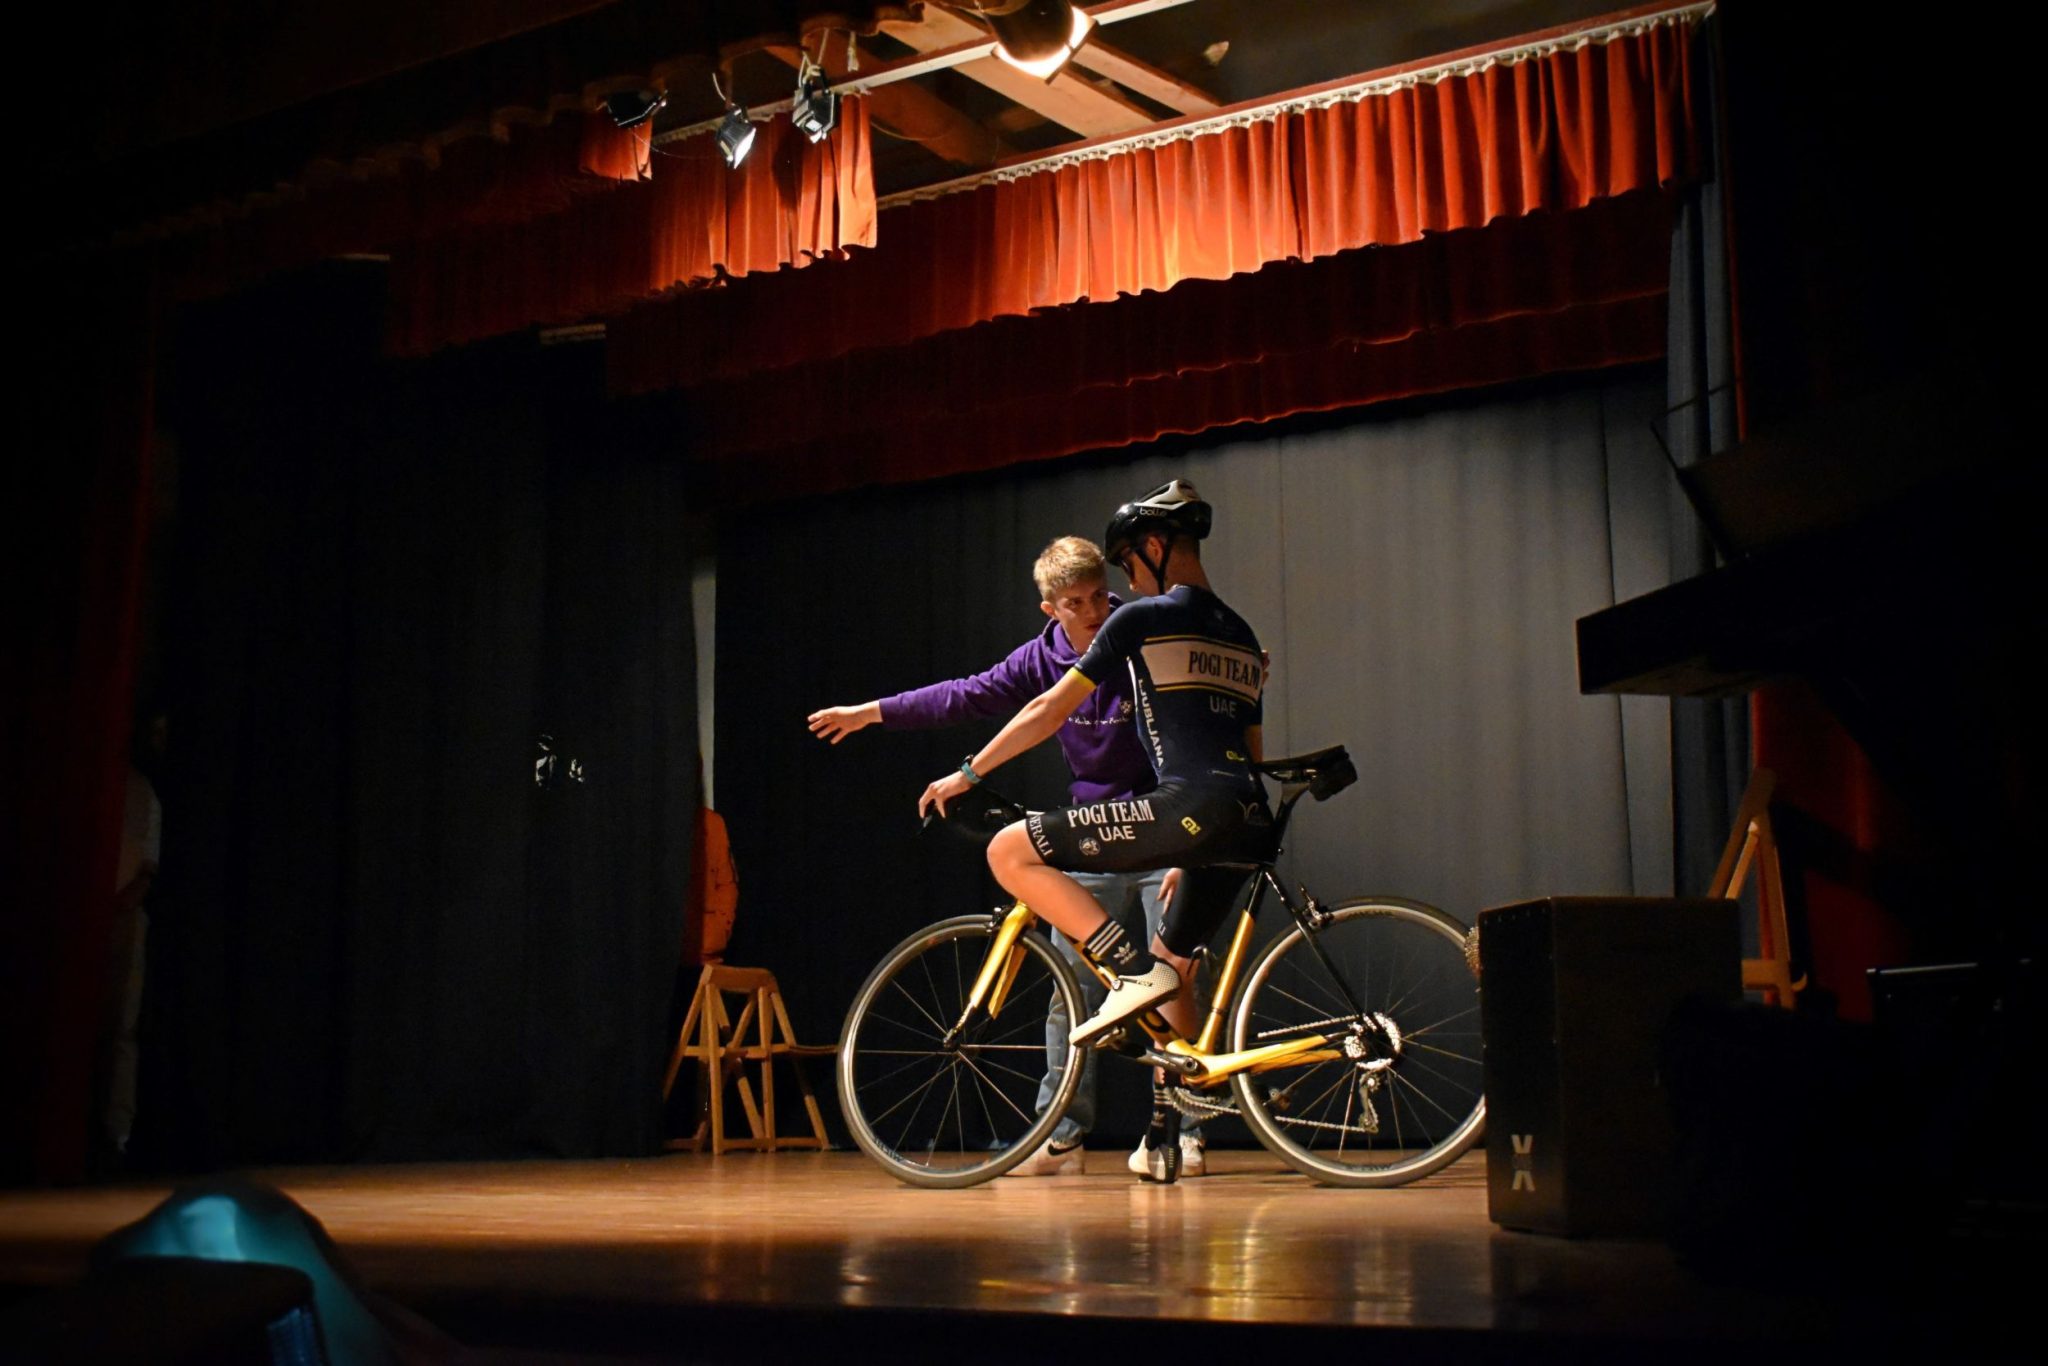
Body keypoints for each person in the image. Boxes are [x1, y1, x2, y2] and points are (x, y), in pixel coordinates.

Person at [809, 535, 1206, 1177]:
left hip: (1164, 822)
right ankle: (1061, 1134)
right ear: (1050, 608)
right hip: (1094, 831)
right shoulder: (1041, 659)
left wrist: (1191, 846)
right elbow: (965, 695)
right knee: (1069, 990)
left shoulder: (1140, 635)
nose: (1092, 611)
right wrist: (872, 713)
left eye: (1099, 596)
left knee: (1173, 979)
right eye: (1075, 603)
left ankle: (1186, 1131)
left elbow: (1198, 718)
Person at [917, 480, 1273, 1083]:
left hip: (1189, 808)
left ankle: (1130, 974)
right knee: (1174, 972)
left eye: (1128, 565)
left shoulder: (1143, 618)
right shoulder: (1241, 634)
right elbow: (1252, 748)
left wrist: (969, 773)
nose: (1126, 586)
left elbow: (1048, 710)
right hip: (1250, 817)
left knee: (1007, 851)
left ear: (1155, 547)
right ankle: (1180, 1112)